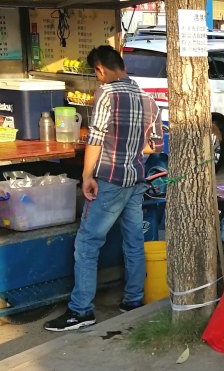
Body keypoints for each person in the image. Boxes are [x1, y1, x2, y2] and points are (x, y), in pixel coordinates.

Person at [45, 46, 163, 331]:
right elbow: (153, 145)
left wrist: (87, 175)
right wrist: (129, 151)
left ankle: (81, 310)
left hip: (109, 180)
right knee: (134, 241)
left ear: (100, 69)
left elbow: (95, 138)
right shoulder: (148, 99)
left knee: (87, 243)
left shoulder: (107, 94)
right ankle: (133, 299)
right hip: (135, 179)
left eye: (96, 74)